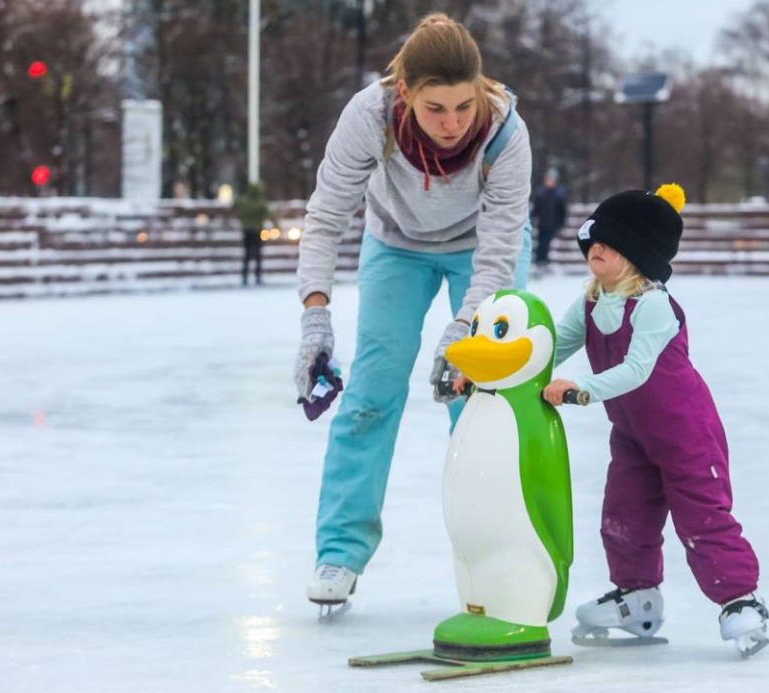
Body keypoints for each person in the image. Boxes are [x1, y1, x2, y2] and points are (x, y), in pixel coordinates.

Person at [293, 12, 533, 609]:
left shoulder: (507, 133)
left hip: (481, 249)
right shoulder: (368, 118)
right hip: (395, 244)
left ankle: (494, 552)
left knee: (483, 398)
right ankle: (339, 553)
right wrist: (315, 318)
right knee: (372, 394)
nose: (451, 124)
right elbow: (325, 218)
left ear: (480, 90)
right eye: (435, 109)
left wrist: (463, 328)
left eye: (463, 106)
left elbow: (500, 251)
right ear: (406, 94)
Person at [540, 184, 769, 656]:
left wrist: (579, 390)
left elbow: (635, 370)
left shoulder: (653, 305)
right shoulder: (590, 300)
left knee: (701, 517)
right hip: (632, 434)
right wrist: (508, 370)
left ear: (638, 253)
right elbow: (552, 347)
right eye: (593, 240)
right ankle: (637, 597)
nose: (595, 249)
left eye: (609, 243)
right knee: (622, 515)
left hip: (686, 432)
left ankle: (740, 600)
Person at [232, 181, 275, 286]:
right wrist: (276, 225)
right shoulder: (259, 202)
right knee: (257, 255)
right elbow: (269, 214)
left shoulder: (244, 201)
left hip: (247, 230)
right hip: (257, 230)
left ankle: (245, 277)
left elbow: (235, 207)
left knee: (247, 255)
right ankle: (257, 277)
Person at [530, 167, 568, 273]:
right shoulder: (541, 193)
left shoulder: (559, 194)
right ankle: (539, 262)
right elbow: (536, 208)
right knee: (540, 243)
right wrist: (533, 218)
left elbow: (562, 211)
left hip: (552, 224)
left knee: (546, 243)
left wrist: (561, 223)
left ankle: (544, 262)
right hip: (542, 223)